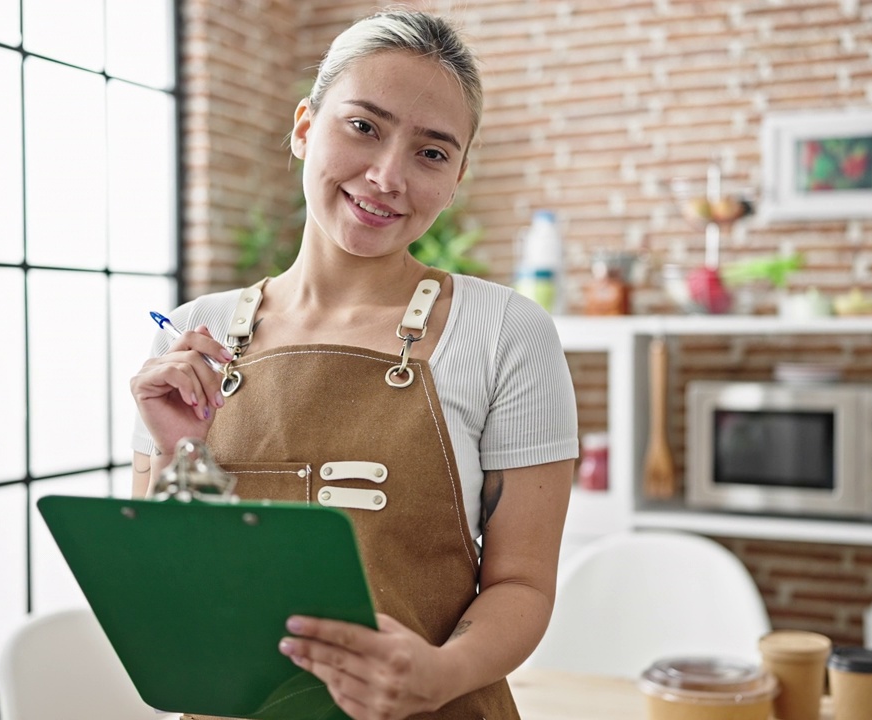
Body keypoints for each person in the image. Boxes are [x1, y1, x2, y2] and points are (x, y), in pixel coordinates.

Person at [129, 9, 578, 719]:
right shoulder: (192, 336)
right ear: (306, 125)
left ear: (457, 175)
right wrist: (179, 452)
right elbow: (166, 595)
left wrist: (439, 673)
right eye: (363, 126)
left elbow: (522, 583)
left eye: (432, 153)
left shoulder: (507, 333)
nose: (387, 175)